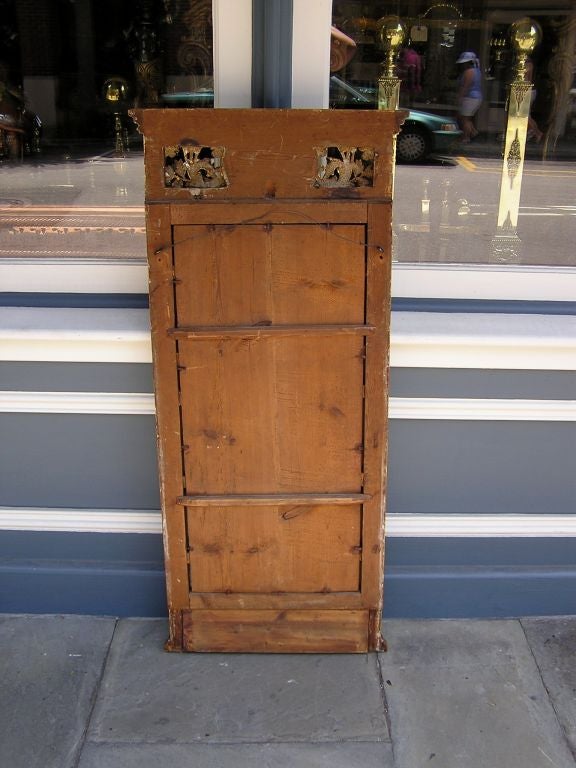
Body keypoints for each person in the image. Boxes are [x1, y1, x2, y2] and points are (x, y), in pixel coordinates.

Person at [456, 51, 482, 142]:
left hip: (470, 97)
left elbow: (465, 86)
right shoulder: (477, 71)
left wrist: (460, 97)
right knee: (467, 118)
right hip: (476, 97)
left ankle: (466, 137)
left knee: (464, 119)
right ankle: (473, 132)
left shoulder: (469, 72)